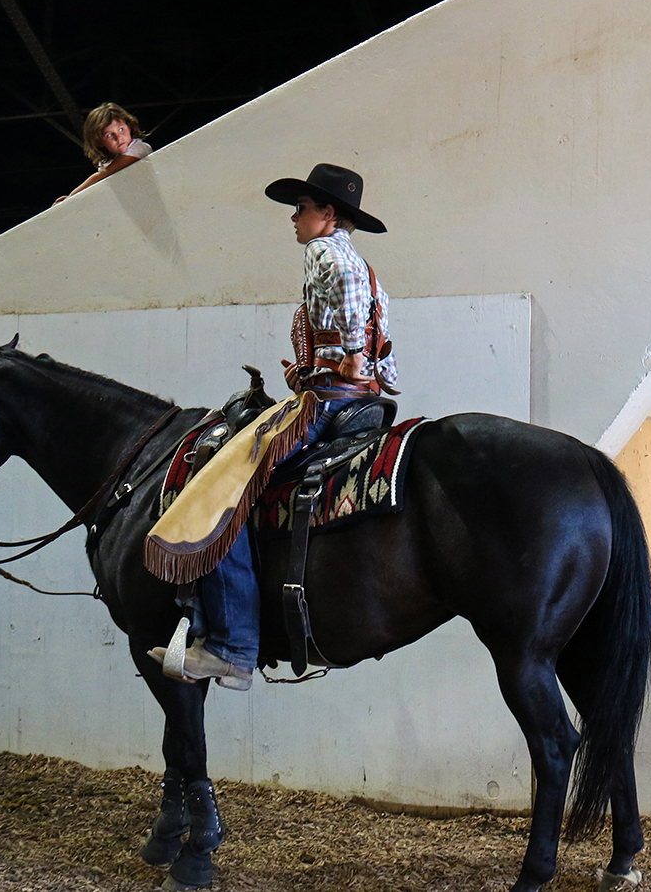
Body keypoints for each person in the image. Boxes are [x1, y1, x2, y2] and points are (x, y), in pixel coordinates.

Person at [148, 163, 396, 688]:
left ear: (328, 214)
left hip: (325, 404)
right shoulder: (363, 264)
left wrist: (350, 352)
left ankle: (231, 646)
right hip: (353, 397)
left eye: (302, 208)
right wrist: (318, 367)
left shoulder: (325, 251)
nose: (294, 218)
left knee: (223, 487)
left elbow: (347, 301)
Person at [54, 103, 154, 204]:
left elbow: (103, 175)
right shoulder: (105, 164)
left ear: (129, 127)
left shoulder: (139, 148)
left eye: (121, 129)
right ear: (99, 141)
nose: (119, 138)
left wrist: (70, 198)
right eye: (110, 135)